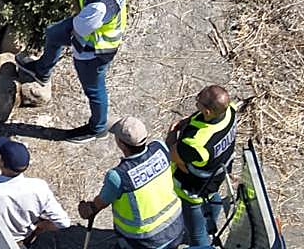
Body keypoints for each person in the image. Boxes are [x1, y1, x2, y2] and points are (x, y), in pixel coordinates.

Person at [16, 0, 127, 142]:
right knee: (53, 33)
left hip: (96, 47)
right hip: (88, 26)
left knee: (94, 89)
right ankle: (42, 70)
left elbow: (80, 26)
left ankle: (98, 128)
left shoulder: (100, 4)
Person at [79, 117, 184, 249]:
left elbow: (100, 204)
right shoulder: (160, 147)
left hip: (145, 241)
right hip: (176, 227)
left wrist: (89, 209)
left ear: (121, 144)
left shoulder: (118, 176)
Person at [0, 137, 71, 246]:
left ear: (1, 163)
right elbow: (64, 222)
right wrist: (42, 226)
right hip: (22, 239)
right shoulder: (39, 187)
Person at [167, 85, 237, 249]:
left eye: (198, 101)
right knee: (213, 197)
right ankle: (209, 222)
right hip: (216, 177)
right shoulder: (230, 111)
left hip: (193, 190)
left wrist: (171, 133)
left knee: (197, 235)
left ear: (207, 112)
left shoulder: (196, 143)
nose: (196, 101)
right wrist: (188, 122)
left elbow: (172, 154)